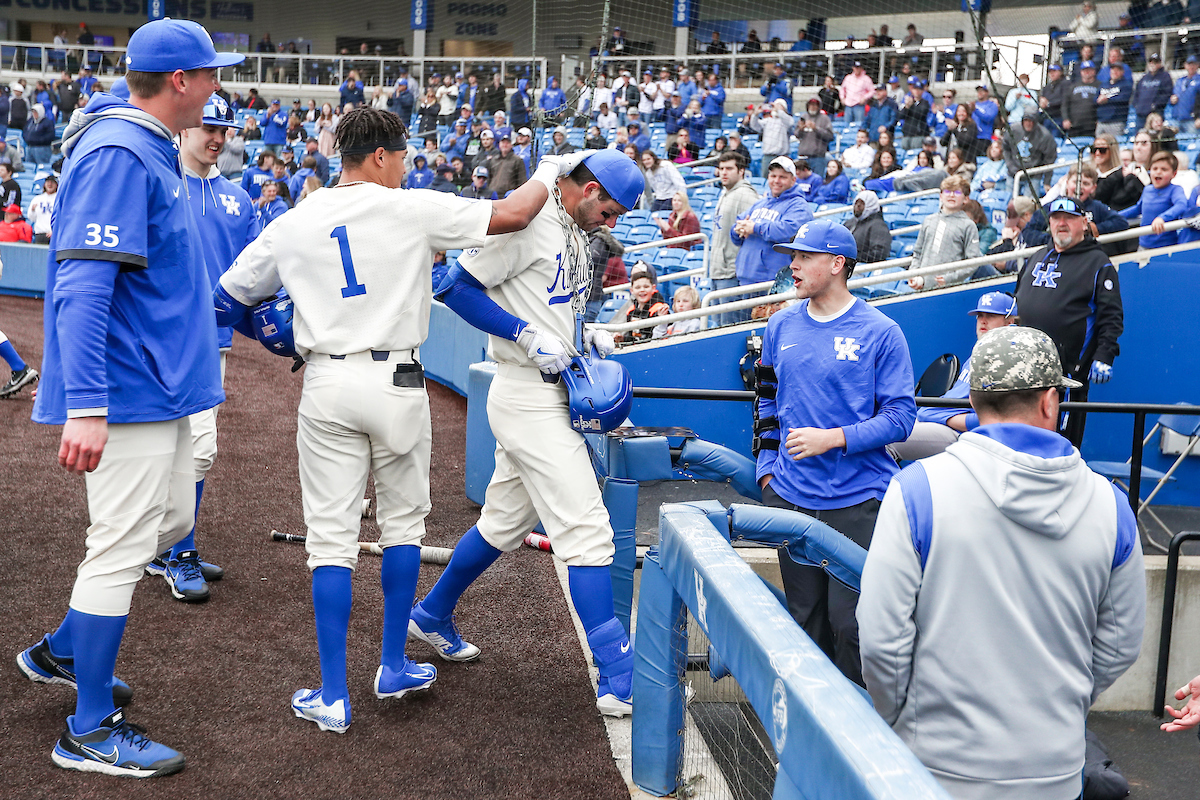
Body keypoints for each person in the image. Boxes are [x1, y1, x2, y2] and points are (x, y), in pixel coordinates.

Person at [215, 106, 563, 734]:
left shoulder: (296, 219)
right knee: (403, 527)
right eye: (401, 154)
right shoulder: (410, 207)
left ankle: (332, 694)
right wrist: (552, 166)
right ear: (378, 156)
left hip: (325, 379)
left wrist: (274, 336)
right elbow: (514, 213)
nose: (406, 163)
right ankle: (393, 665)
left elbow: (227, 299)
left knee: (330, 541)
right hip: (399, 380)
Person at [17, 18, 242, 778]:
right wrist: (86, 403)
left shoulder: (146, 144)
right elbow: (83, 285)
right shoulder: (119, 148)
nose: (218, 87)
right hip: (129, 388)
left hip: (166, 385)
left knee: (167, 523)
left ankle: (62, 651)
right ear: (181, 81)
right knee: (117, 548)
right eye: (210, 74)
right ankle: (87, 727)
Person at [861, 322, 1145, 800]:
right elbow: (1119, 645)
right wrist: (1059, 703)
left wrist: (905, 721)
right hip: (1054, 772)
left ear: (972, 402)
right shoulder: (1111, 504)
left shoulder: (917, 488)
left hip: (935, 771)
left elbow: (881, 642)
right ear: (1050, 401)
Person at [408, 150, 641, 718]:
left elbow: (550, 306)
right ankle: (619, 674)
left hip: (549, 387)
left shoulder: (573, 232)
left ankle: (432, 613)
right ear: (585, 189)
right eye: (608, 210)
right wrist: (524, 332)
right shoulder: (533, 221)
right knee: (587, 531)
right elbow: (455, 286)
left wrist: (582, 339)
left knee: (502, 524)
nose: (609, 224)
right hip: (524, 390)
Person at [754, 218, 915, 686]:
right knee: (805, 623)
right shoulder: (780, 324)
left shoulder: (881, 331)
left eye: (805, 256)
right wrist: (768, 471)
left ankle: (859, 740)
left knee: (852, 626)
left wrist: (835, 437)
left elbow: (901, 419)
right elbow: (765, 401)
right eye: (793, 256)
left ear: (837, 264)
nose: (795, 265)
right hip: (792, 498)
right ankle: (807, 734)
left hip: (857, 501)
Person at [140, 94, 262, 602]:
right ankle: (171, 551)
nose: (216, 137)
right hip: (158, 342)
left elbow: (256, 279)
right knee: (171, 452)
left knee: (195, 452)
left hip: (211, 345)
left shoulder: (237, 199)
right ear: (186, 126)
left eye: (225, 129)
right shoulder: (157, 185)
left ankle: (166, 548)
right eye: (209, 126)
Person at [1015, 197, 1123, 447]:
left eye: (1069, 218)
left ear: (1084, 223)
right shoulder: (1037, 256)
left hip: (1067, 375)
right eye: (1055, 218)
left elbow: (1111, 316)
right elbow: (1017, 301)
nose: (1061, 223)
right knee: (1021, 441)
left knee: (1059, 444)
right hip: (1024, 369)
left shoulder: (1098, 262)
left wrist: (1105, 355)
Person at [887, 292, 1019, 461]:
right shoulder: (980, 352)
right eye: (980, 315)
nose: (982, 321)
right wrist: (935, 414)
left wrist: (940, 416)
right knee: (879, 429)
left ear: (1010, 322)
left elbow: (991, 420)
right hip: (938, 419)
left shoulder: (1008, 358)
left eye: (991, 315)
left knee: (885, 440)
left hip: (960, 434)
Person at [710, 152, 760, 327]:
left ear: (741, 171)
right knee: (718, 328)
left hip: (731, 273)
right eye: (721, 168)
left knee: (730, 329)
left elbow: (752, 234)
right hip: (717, 271)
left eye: (729, 168)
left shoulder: (746, 195)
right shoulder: (725, 193)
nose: (724, 172)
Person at [907, 175, 981, 290]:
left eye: (957, 192)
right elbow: (917, 253)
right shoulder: (928, 221)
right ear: (941, 196)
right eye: (947, 191)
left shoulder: (968, 225)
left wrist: (950, 278)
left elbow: (973, 262)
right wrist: (915, 275)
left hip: (950, 290)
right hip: (922, 289)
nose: (951, 195)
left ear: (966, 199)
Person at [1120, 150, 1188, 248]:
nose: (1158, 172)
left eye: (1164, 169)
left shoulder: (1175, 190)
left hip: (1166, 247)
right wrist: (1114, 216)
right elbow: (1138, 208)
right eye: (1155, 168)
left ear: (1174, 174)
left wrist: (1162, 218)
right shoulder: (1147, 189)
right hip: (1143, 245)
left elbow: (1181, 205)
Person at [614, 262, 670, 344]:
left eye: (646, 287)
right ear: (632, 291)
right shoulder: (631, 311)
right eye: (638, 287)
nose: (642, 290)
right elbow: (631, 337)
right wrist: (622, 339)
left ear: (653, 288)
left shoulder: (659, 309)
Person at [1005, 111, 1057, 196]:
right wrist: (1010, 165)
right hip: (1013, 172)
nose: (1028, 124)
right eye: (1026, 121)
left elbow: (1050, 159)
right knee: (1009, 202)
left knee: (1029, 204)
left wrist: (1047, 181)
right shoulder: (1013, 130)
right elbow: (1006, 148)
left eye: (1031, 121)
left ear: (1035, 122)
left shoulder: (1044, 136)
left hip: (1033, 175)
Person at [1091, 134, 1142, 211]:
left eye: (1102, 150)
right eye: (1094, 149)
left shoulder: (1125, 175)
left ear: (1112, 151)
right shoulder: (1088, 175)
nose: (1097, 153)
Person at [843, 189, 891, 264]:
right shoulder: (849, 223)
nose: (858, 206)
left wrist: (852, 258)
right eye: (856, 202)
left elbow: (879, 253)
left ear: (871, 205)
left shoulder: (878, 226)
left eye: (862, 203)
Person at [750, 99, 793, 178]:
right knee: (766, 178)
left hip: (782, 156)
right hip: (768, 156)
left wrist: (779, 110)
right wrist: (755, 115)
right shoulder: (768, 121)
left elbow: (790, 122)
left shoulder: (786, 121)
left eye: (779, 106)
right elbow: (755, 126)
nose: (776, 107)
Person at [1133, 53, 1174, 131]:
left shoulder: (1165, 77)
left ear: (1159, 64)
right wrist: (1137, 105)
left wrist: (1154, 106)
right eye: (1151, 62)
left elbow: (1166, 93)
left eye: (1155, 63)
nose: (1153, 65)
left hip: (1155, 114)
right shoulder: (1144, 78)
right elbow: (1136, 94)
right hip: (1141, 114)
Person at [794, 97, 833, 177]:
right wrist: (801, 129)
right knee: (801, 181)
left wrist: (816, 129)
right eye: (811, 105)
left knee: (817, 181)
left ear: (819, 106)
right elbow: (797, 134)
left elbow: (830, 137)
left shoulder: (825, 119)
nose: (812, 107)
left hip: (818, 157)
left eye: (815, 105)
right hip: (803, 157)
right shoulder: (803, 117)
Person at [1062, 60, 1100, 136]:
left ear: (1094, 71)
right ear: (1081, 72)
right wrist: (1066, 119)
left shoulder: (1100, 86)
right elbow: (1065, 104)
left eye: (1089, 70)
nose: (1087, 72)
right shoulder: (1073, 87)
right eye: (1084, 70)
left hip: (1092, 126)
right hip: (1074, 125)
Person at [485, 133, 527, 198]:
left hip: (508, 196)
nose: (505, 145)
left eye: (507, 143)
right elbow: (489, 178)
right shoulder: (494, 160)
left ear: (511, 145)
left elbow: (522, 181)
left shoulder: (517, 160)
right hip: (492, 195)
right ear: (499, 145)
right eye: (503, 143)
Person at [897, 80, 931, 150]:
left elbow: (921, 113)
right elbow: (900, 116)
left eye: (919, 89)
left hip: (918, 134)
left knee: (915, 151)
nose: (917, 91)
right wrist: (906, 107)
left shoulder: (925, 103)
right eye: (915, 89)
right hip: (907, 133)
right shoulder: (908, 102)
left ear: (922, 91)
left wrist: (911, 106)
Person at [1170, 55, 1200, 132]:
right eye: (1189, 64)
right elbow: (1172, 97)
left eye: (1193, 64)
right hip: (1177, 118)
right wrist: (1172, 99)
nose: (1191, 66)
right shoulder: (1180, 81)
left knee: (1192, 142)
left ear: (1197, 65)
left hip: (1192, 120)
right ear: (1185, 65)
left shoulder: (1199, 80)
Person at [840, 61, 874, 127]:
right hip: (848, 105)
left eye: (858, 68)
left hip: (859, 105)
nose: (857, 69)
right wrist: (842, 98)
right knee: (846, 125)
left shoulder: (866, 79)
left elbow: (872, 91)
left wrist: (865, 98)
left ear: (861, 69)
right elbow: (842, 89)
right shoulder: (848, 78)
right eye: (856, 68)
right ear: (853, 68)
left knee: (859, 125)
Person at [27, 173, 56, 243]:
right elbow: (31, 218)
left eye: (52, 182)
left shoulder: (59, 199)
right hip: (40, 233)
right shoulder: (37, 198)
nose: (50, 184)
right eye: (48, 182)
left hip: (54, 234)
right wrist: (32, 210)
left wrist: (54, 230)